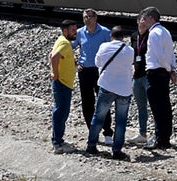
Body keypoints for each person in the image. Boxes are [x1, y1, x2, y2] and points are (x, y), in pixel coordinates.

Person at [84, 26, 134, 159]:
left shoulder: (104, 46)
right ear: (123, 37)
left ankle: (91, 146)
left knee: (98, 116)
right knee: (121, 121)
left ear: (111, 36)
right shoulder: (130, 50)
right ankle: (117, 150)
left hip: (106, 86)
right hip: (124, 89)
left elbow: (97, 62)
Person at [138, 7, 177, 149]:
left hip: (155, 73)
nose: (143, 21)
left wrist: (168, 68)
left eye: (144, 18)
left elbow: (160, 55)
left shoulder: (153, 33)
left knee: (157, 107)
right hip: (164, 72)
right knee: (165, 106)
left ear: (151, 18)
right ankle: (165, 137)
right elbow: (171, 53)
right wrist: (172, 69)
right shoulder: (165, 31)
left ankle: (159, 138)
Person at [73, 9, 113, 138]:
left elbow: (113, 49)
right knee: (87, 101)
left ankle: (107, 131)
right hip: (84, 71)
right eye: (85, 17)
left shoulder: (105, 33)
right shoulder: (79, 33)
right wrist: (74, 64)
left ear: (96, 18)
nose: (87, 19)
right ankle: (92, 130)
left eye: (90, 17)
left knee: (103, 100)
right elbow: (69, 48)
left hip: (100, 70)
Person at [49, 19, 79, 154]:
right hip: (62, 83)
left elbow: (51, 55)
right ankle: (58, 143)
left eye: (76, 30)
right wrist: (55, 74)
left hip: (63, 83)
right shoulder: (65, 43)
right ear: (65, 30)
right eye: (73, 31)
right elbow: (54, 57)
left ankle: (57, 138)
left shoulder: (61, 40)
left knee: (61, 111)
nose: (75, 33)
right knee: (61, 112)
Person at [128, 26, 152, 145]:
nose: (142, 24)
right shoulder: (134, 36)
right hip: (136, 76)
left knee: (154, 105)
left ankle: (158, 133)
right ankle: (142, 133)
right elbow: (132, 53)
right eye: (140, 21)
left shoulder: (151, 35)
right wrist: (132, 65)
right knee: (141, 106)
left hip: (148, 75)